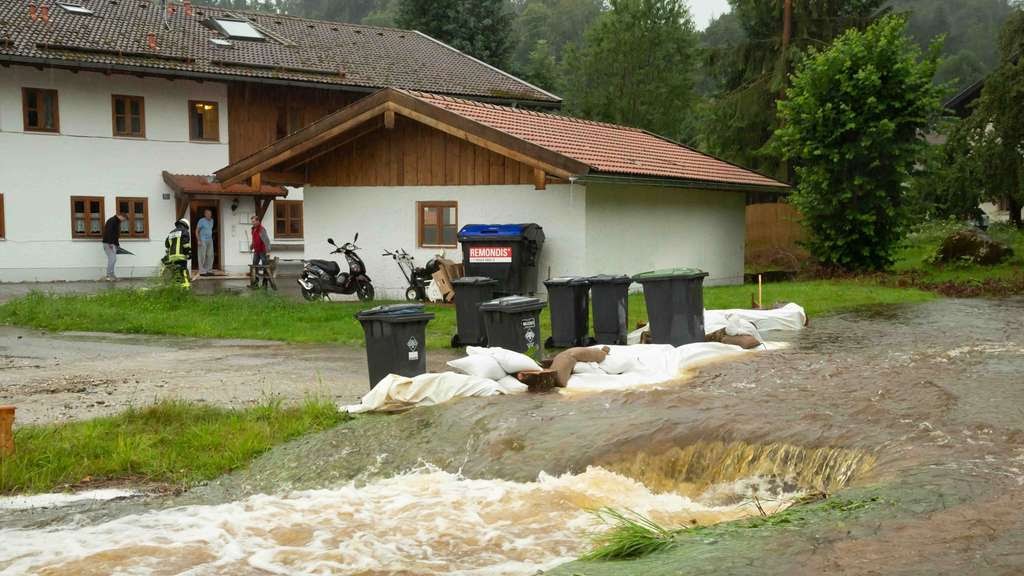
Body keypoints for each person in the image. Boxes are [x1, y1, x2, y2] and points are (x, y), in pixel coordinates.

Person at [163, 218, 192, 287]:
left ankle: (176, 287)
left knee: (175, 273)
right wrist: (188, 254)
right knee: (183, 273)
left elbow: (167, 244)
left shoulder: (171, 233)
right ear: (186, 225)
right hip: (181, 256)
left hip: (172, 257)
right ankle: (186, 287)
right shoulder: (184, 231)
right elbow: (186, 244)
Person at [101, 211, 128, 281]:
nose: (123, 221)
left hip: (112, 243)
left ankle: (112, 275)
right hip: (109, 243)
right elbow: (109, 232)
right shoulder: (112, 220)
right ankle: (109, 275)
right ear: (121, 216)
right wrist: (110, 243)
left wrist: (117, 245)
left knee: (113, 259)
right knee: (112, 259)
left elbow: (115, 234)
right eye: (124, 219)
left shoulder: (116, 221)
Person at [250, 215, 271, 288]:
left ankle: (264, 285)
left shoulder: (261, 229)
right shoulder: (253, 229)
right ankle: (255, 283)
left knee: (265, 267)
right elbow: (254, 239)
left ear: (258, 221)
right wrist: (252, 245)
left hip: (262, 251)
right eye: (252, 222)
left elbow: (266, 241)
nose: (253, 223)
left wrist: (268, 251)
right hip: (256, 251)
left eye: (254, 221)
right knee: (254, 266)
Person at [196, 209, 215, 276]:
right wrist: (198, 240)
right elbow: (196, 231)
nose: (209, 215)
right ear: (205, 214)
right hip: (202, 240)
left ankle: (209, 270)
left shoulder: (212, 220)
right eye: (207, 214)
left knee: (210, 255)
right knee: (202, 255)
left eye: (210, 214)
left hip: (210, 240)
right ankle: (202, 271)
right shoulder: (201, 221)